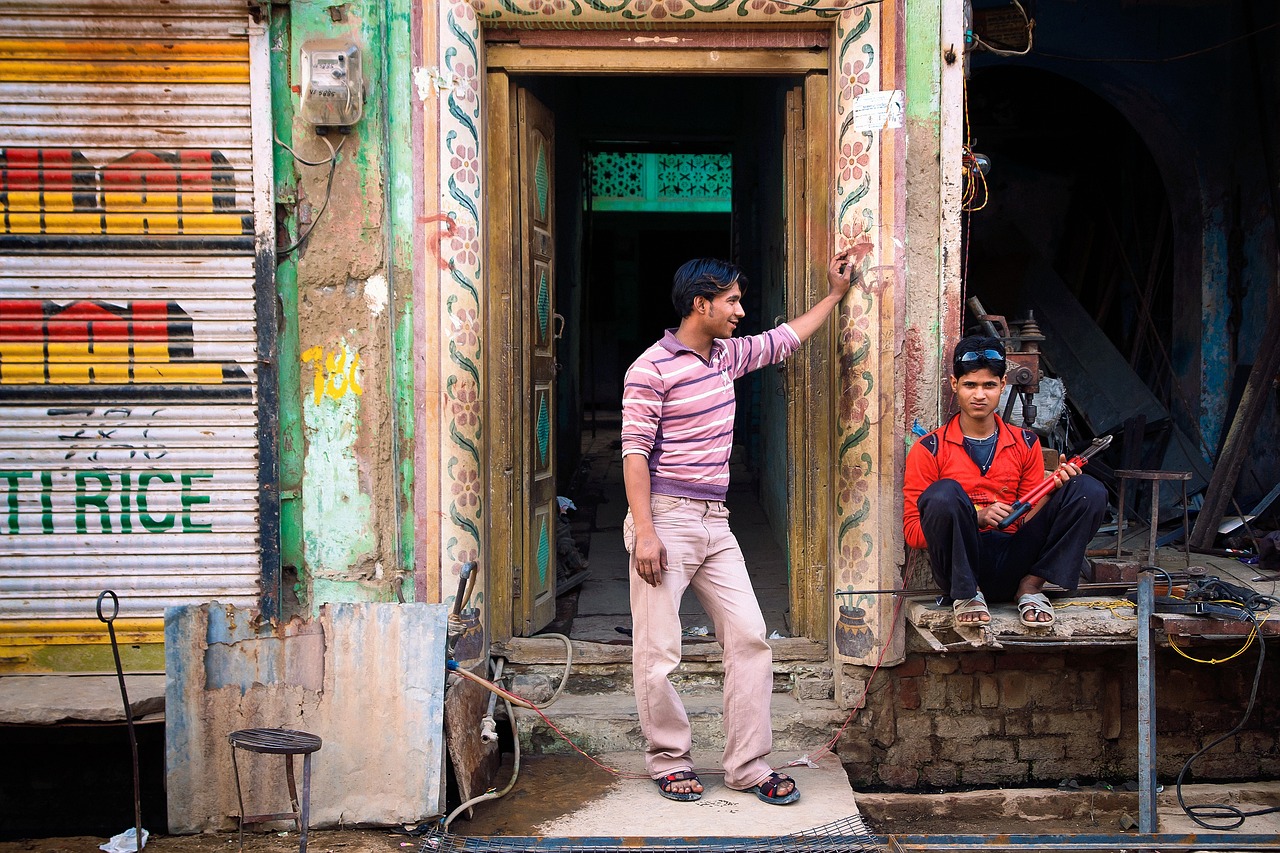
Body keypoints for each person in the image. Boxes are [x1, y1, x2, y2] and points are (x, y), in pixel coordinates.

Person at [621, 247, 862, 805]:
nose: (740, 312)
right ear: (700, 304)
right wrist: (646, 532)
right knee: (659, 653)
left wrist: (833, 294)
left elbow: (786, 338)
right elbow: (633, 453)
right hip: (665, 518)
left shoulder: (725, 357)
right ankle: (669, 760)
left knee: (751, 638)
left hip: (716, 522)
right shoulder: (650, 369)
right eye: (731, 301)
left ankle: (748, 765)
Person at [902, 336, 1108, 628]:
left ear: (1002, 385)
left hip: (1016, 559)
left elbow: (1026, 520)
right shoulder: (929, 448)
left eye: (988, 385)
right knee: (943, 493)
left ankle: (1032, 587)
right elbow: (913, 532)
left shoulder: (1026, 442)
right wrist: (977, 517)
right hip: (962, 568)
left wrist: (1055, 492)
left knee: (1088, 490)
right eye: (970, 385)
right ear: (954, 385)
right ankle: (968, 594)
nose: (979, 395)